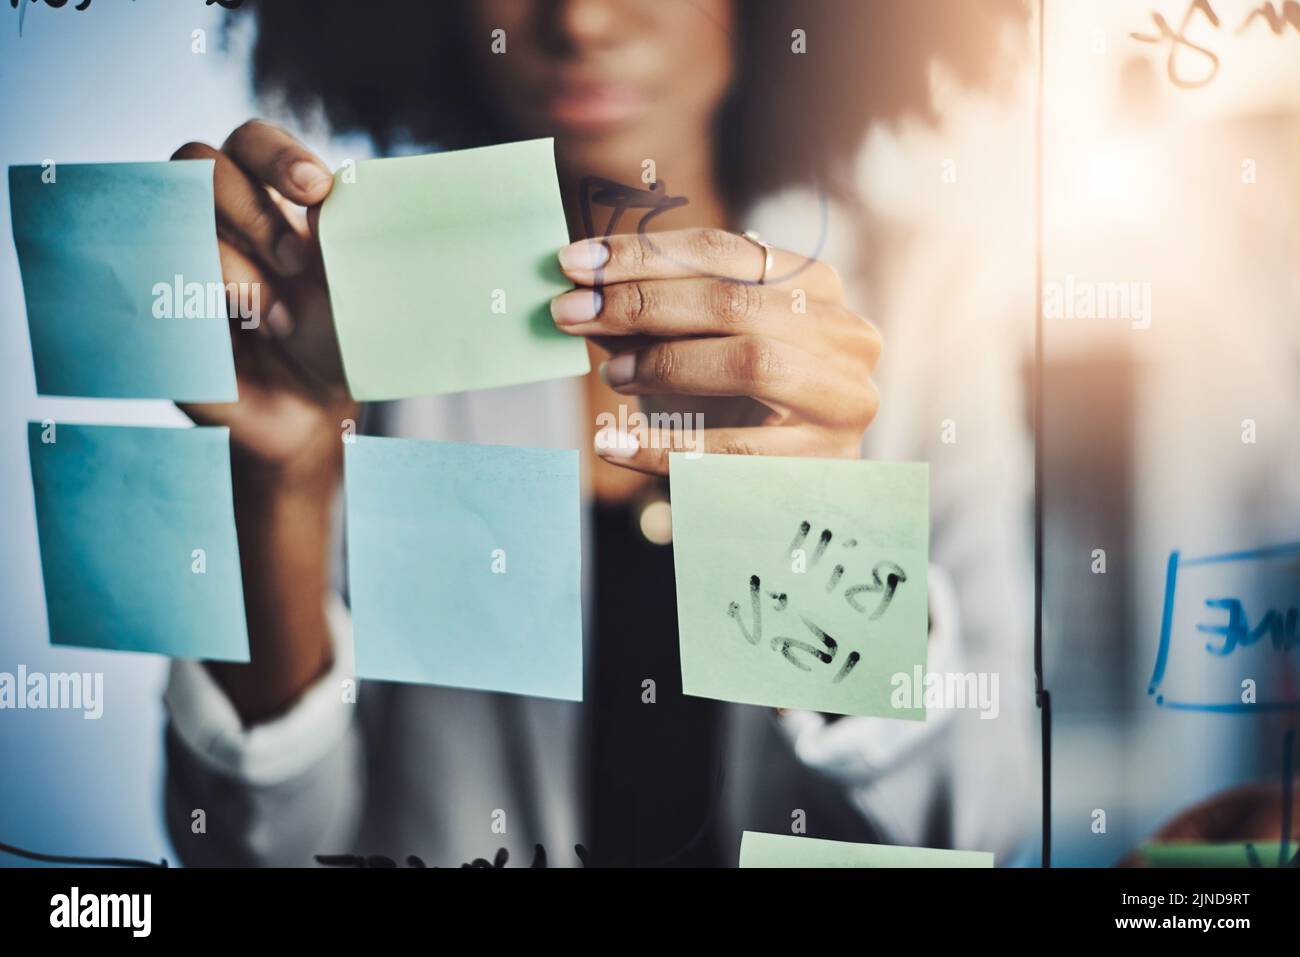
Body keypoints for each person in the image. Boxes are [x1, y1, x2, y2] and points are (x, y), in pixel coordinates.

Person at [162, 0, 1034, 867]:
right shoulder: (349, 305)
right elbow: (249, 850)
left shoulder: (927, 305)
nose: (579, 20)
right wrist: (278, 482)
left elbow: (966, 825)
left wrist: (810, 535)